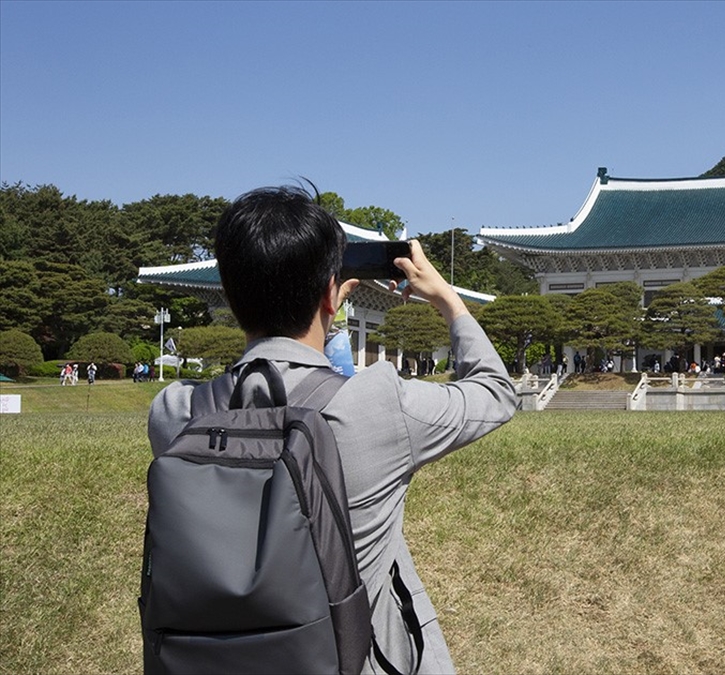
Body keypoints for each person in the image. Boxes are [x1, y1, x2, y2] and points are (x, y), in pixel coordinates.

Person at [147, 185, 517, 674]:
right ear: (331, 292)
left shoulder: (175, 412)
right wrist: (449, 301)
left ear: (230, 293)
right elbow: (495, 392)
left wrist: (322, 313)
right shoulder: (378, 405)